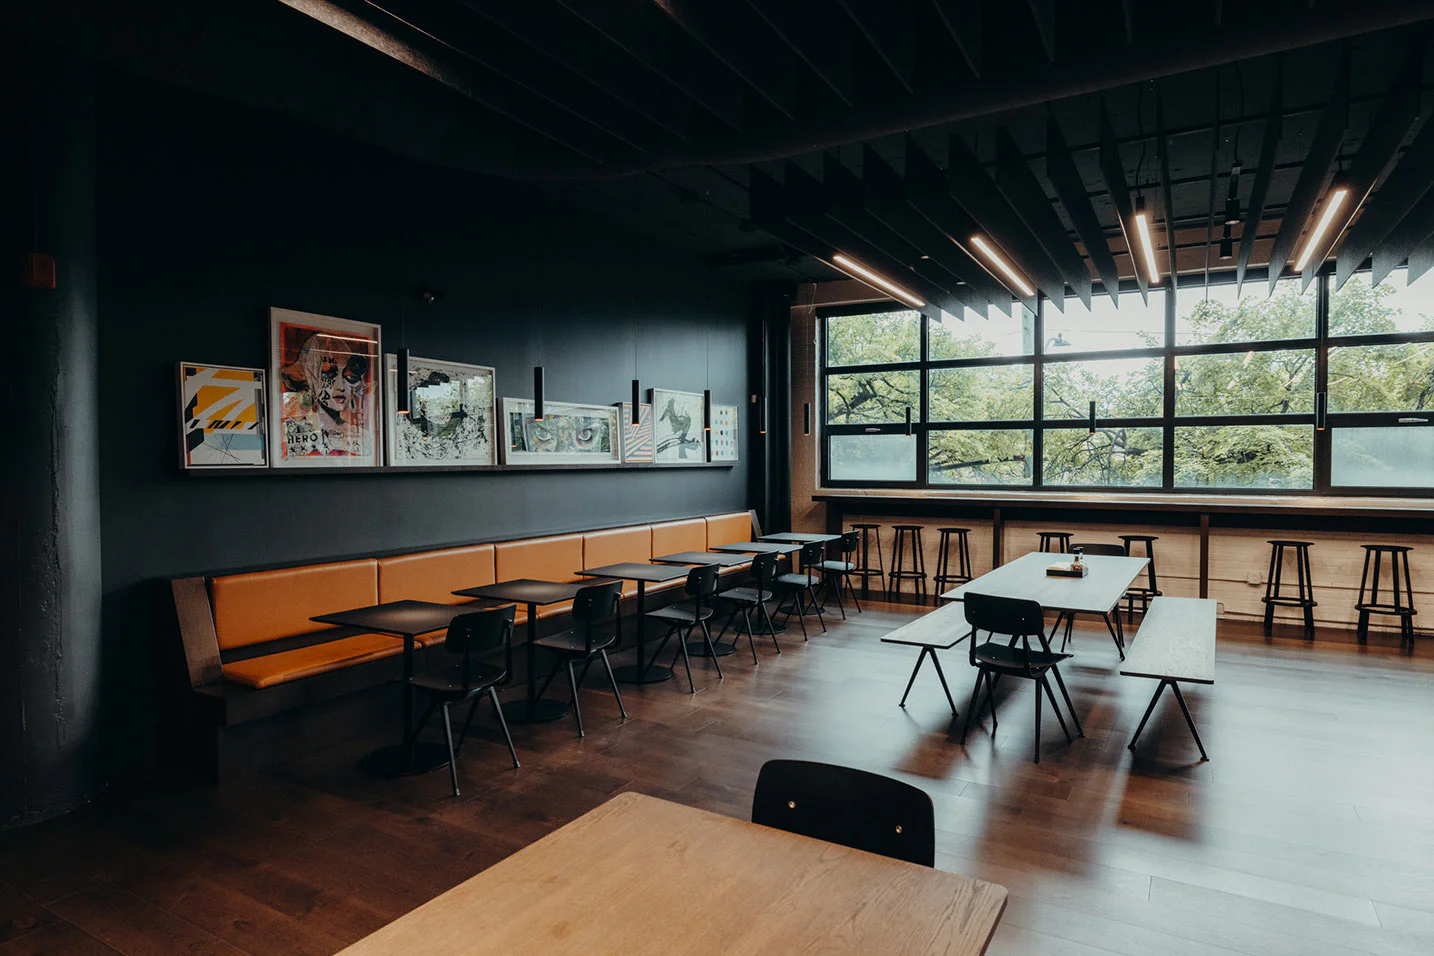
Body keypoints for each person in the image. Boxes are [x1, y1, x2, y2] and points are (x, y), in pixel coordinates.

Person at [280, 332, 373, 457]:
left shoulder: (356, 431)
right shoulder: (296, 421)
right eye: (328, 373)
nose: (340, 387)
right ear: (308, 374)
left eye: (349, 376)